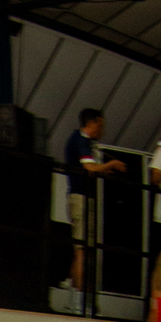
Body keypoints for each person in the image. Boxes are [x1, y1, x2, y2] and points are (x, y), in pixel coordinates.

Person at [63, 107, 125, 304]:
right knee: (83, 248)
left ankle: (73, 289)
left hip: (81, 197)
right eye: (101, 125)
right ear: (93, 123)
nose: (102, 130)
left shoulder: (82, 142)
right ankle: (81, 296)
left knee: (82, 247)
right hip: (80, 198)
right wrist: (111, 165)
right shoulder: (81, 141)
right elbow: (89, 168)